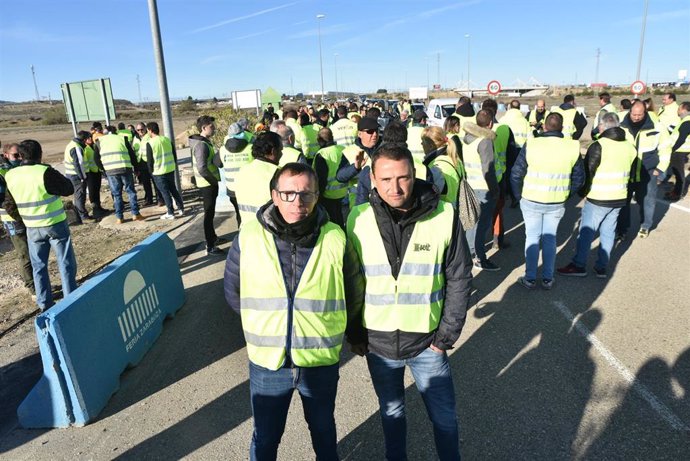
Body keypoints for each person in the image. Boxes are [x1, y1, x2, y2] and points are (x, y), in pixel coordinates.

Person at [225, 162, 362, 461]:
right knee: (266, 438)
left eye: (306, 194)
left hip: (319, 360)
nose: (297, 202)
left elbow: (353, 294)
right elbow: (234, 293)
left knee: (324, 433)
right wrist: (267, 324)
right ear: (274, 196)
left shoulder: (335, 237)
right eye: (288, 193)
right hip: (268, 363)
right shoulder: (248, 237)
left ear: (316, 196)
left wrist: (351, 334)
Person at [346, 143, 473, 461]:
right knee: (391, 418)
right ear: (372, 179)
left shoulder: (444, 214)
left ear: (415, 174)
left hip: (428, 344)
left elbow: (459, 278)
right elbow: (353, 283)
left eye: (403, 177)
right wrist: (356, 333)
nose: (395, 187)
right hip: (379, 346)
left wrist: (445, 337)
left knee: (444, 420)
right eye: (386, 179)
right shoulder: (357, 219)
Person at [557, 113, 637, 279]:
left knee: (586, 232)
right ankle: (601, 267)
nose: (598, 128)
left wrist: (583, 192)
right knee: (608, 232)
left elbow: (588, 172)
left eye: (599, 125)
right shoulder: (629, 147)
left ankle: (579, 265)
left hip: (599, 197)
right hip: (620, 196)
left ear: (604, 126)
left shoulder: (599, 145)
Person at [511, 113, 584, 289]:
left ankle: (529, 278)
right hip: (557, 201)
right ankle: (547, 278)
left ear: (544, 127)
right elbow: (579, 178)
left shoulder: (533, 143)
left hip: (531, 199)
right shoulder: (573, 146)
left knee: (532, 238)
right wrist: (566, 193)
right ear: (562, 127)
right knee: (550, 239)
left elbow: (516, 173)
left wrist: (518, 196)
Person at [3, 140, 77, 311]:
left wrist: (23, 219)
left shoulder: (11, 175)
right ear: (40, 154)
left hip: (31, 228)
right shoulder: (45, 172)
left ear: (20, 156)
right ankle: (70, 299)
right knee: (65, 262)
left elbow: (9, 204)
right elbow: (68, 189)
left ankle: (44, 302)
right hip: (55, 225)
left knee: (38, 266)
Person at [616, 101, 671, 239]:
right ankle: (621, 230)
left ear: (645, 112)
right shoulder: (620, 125)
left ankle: (645, 226)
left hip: (648, 172)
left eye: (639, 115)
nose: (636, 117)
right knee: (623, 202)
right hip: (626, 173)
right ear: (630, 112)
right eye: (634, 114)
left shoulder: (657, 127)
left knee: (647, 201)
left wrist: (660, 169)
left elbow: (665, 148)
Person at [462, 109, 501, 271]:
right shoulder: (484, 142)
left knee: (472, 224)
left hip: (471, 185)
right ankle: (479, 257)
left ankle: (469, 254)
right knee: (482, 226)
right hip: (484, 189)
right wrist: (495, 190)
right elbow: (488, 170)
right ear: (490, 123)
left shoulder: (466, 139)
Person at [0, 143, 35, 296]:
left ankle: (38, 284)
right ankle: (33, 288)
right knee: (24, 253)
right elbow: (4, 200)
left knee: (33, 252)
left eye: (20, 154)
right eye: (15, 155)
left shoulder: (18, 168)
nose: (19, 158)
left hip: (25, 216)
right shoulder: (2, 171)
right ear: (6, 155)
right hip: (13, 219)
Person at [189, 115, 226, 254]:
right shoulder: (201, 145)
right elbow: (202, 168)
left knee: (210, 213)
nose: (214, 128)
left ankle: (213, 238)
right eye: (211, 126)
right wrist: (213, 180)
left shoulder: (204, 142)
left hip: (209, 183)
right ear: (204, 128)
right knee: (208, 214)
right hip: (207, 184)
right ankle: (210, 246)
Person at [95, 125, 145, 224]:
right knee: (130, 191)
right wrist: (136, 168)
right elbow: (132, 155)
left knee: (116, 194)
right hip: (125, 168)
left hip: (110, 171)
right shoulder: (122, 138)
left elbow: (96, 159)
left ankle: (119, 217)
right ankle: (135, 214)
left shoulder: (99, 141)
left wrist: (103, 169)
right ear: (115, 132)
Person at [235, 131, 282, 225]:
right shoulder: (277, 173)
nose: (281, 154)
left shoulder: (242, 171)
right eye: (280, 150)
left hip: (246, 229)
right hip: (268, 232)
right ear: (273, 151)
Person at [337, 117, 381, 207]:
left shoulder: (384, 149)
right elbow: (340, 177)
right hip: (359, 206)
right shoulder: (350, 151)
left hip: (382, 202)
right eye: (370, 131)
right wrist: (355, 168)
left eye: (376, 130)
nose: (375, 134)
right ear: (360, 134)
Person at [145, 122, 184, 220]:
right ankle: (181, 208)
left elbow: (149, 161)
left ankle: (170, 212)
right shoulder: (167, 139)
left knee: (165, 192)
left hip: (158, 172)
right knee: (173, 190)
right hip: (170, 169)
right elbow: (174, 154)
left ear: (150, 130)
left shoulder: (150, 143)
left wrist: (151, 172)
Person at [313, 127, 348, 227]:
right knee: (339, 216)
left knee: (332, 220)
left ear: (320, 140)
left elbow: (321, 179)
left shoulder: (322, 154)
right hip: (343, 191)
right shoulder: (342, 149)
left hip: (328, 194)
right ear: (332, 137)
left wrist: (318, 196)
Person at [221, 122, 253, 227]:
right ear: (243, 133)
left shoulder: (222, 150)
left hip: (232, 189)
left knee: (239, 213)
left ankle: (241, 232)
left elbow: (217, 163)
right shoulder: (251, 148)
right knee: (249, 213)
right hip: (247, 188)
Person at [421, 126, 462, 206]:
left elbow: (428, 197)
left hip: (445, 213)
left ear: (430, 145)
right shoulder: (454, 158)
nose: (421, 144)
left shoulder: (437, 166)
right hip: (456, 208)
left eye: (423, 141)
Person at [63, 131, 95, 224]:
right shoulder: (76, 147)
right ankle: (83, 217)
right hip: (76, 176)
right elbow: (78, 164)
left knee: (78, 196)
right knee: (80, 195)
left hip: (72, 174)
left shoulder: (72, 144)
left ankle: (81, 216)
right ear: (84, 139)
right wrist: (83, 177)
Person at [665, 101, 690, 201]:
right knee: (677, 172)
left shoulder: (687, 121)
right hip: (679, 151)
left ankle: (678, 194)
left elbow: (681, 139)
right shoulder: (684, 120)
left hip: (679, 151)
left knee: (679, 174)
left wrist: (672, 149)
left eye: (679, 108)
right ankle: (675, 191)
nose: (678, 110)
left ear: (684, 109)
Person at [82, 133, 107, 216]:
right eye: (88, 138)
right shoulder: (85, 148)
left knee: (97, 190)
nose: (90, 139)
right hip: (90, 173)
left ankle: (99, 207)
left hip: (96, 171)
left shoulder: (93, 146)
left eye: (90, 137)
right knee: (92, 191)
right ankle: (95, 209)